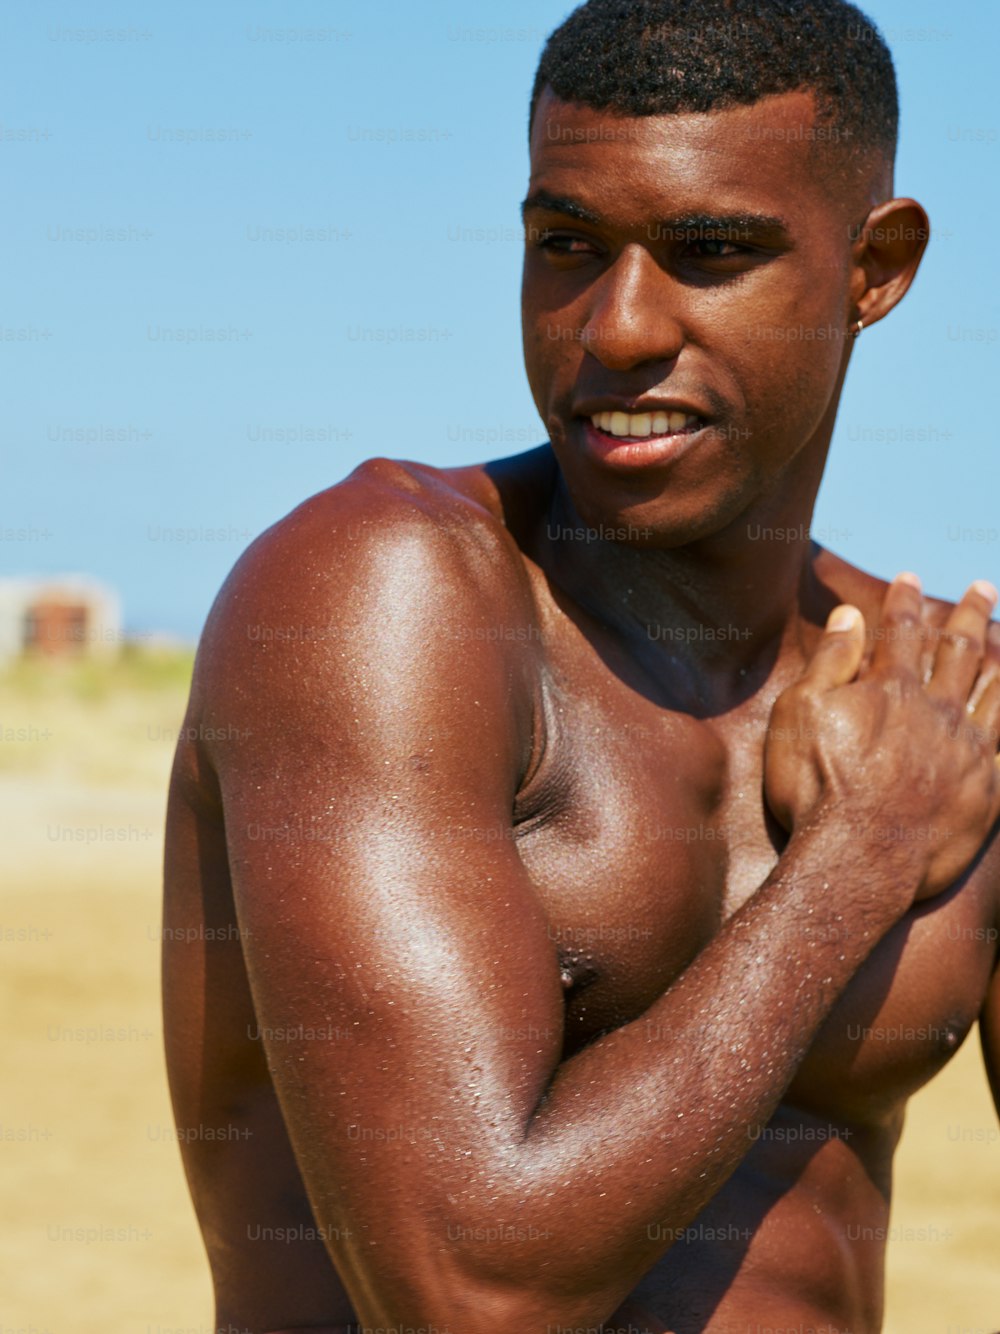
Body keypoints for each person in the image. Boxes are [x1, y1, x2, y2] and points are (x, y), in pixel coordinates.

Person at [161, 1, 1000, 1330]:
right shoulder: (386, 598)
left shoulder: (945, 695)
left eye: (708, 252)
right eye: (565, 244)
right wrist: (861, 855)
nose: (613, 328)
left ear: (875, 267)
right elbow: (472, 1292)